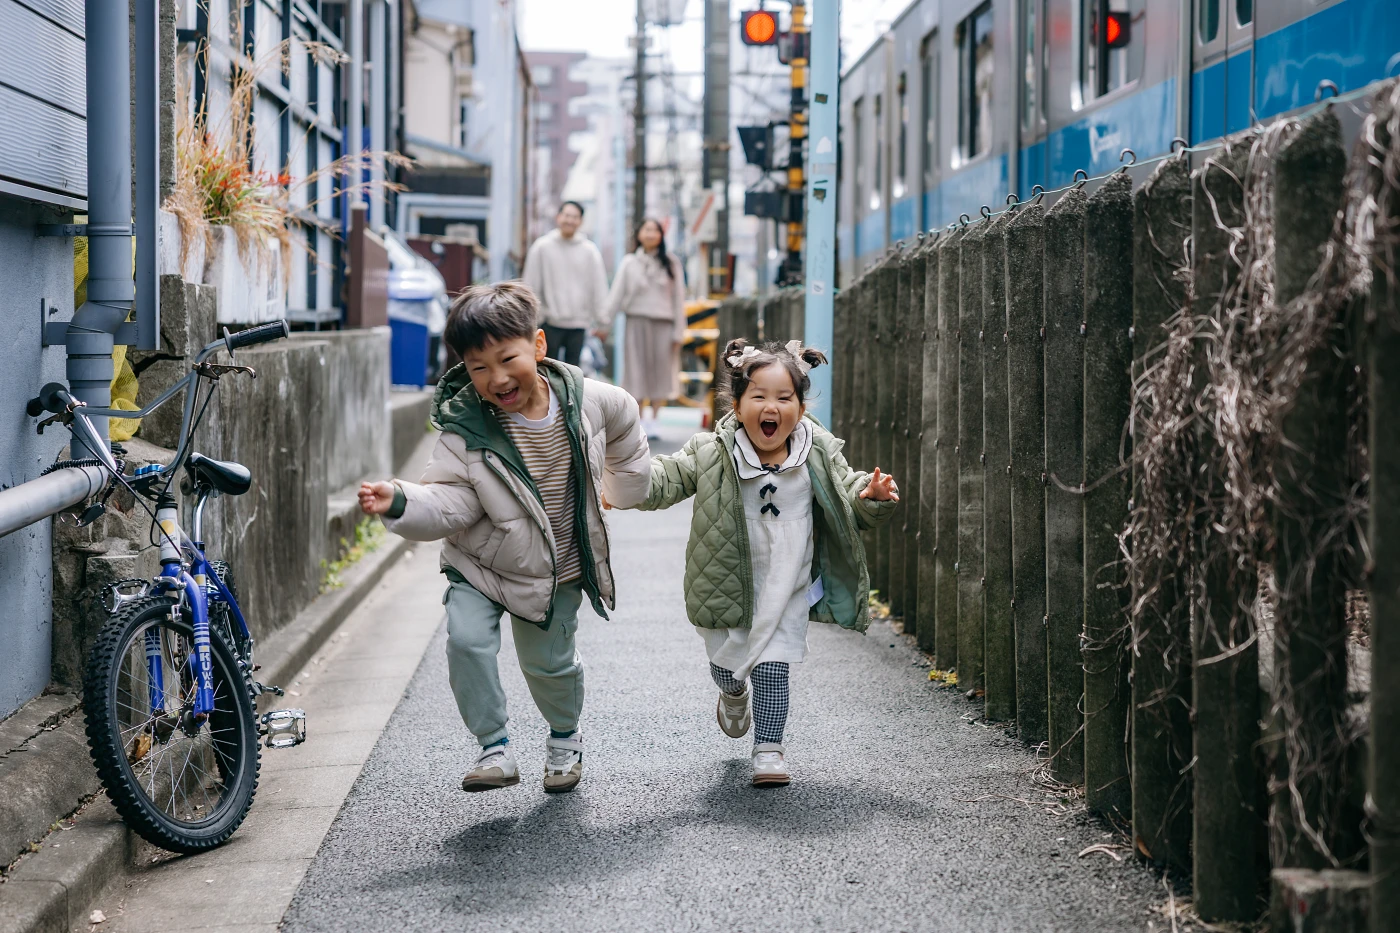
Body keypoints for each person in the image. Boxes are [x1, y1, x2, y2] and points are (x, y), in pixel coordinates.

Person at [358, 281, 650, 795]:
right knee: (467, 641)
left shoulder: (587, 402)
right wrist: (401, 501)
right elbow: (450, 501)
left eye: (506, 358)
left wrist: (625, 486)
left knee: (550, 666)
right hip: (480, 566)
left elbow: (626, 417)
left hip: (558, 567)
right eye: (477, 367)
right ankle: (494, 747)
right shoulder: (464, 429)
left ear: (538, 346)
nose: (496, 378)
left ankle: (564, 737)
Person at [623, 338, 898, 787]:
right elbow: (665, 478)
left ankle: (769, 748)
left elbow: (849, 491)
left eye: (784, 398)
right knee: (725, 664)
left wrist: (871, 496)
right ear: (737, 403)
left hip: (786, 581)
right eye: (759, 396)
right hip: (726, 578)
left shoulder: (817, 452)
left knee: (773, 666)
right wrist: (626, 485)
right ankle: (732, 692)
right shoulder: (712, 451)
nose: (772, 407)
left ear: (801, 407)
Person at [605, 218, 687, 440]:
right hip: (636, 322)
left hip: (664, 323)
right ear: (639, 234)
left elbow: (679, 298)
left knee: (661, 371)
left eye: (655, 230)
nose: (651, 234)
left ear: (661, 236)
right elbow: (616, 295)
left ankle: (655, 420)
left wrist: (679, 330)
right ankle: (639, 419)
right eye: (647, 229)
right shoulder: (629, 262)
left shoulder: (671, 263)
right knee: (636, 371)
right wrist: (604, 323)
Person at [522, 201, 610, 367]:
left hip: (579, 323)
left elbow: (598, 287)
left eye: (575, 217)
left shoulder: (589, 251)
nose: (570, 220)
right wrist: (534, 318)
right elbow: (531, 285)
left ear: (581, 221)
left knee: (573, 373)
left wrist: (602, 321)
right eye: (567, 215)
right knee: (547, 369)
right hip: (549, 322)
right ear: (558, 217)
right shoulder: (542, 247)